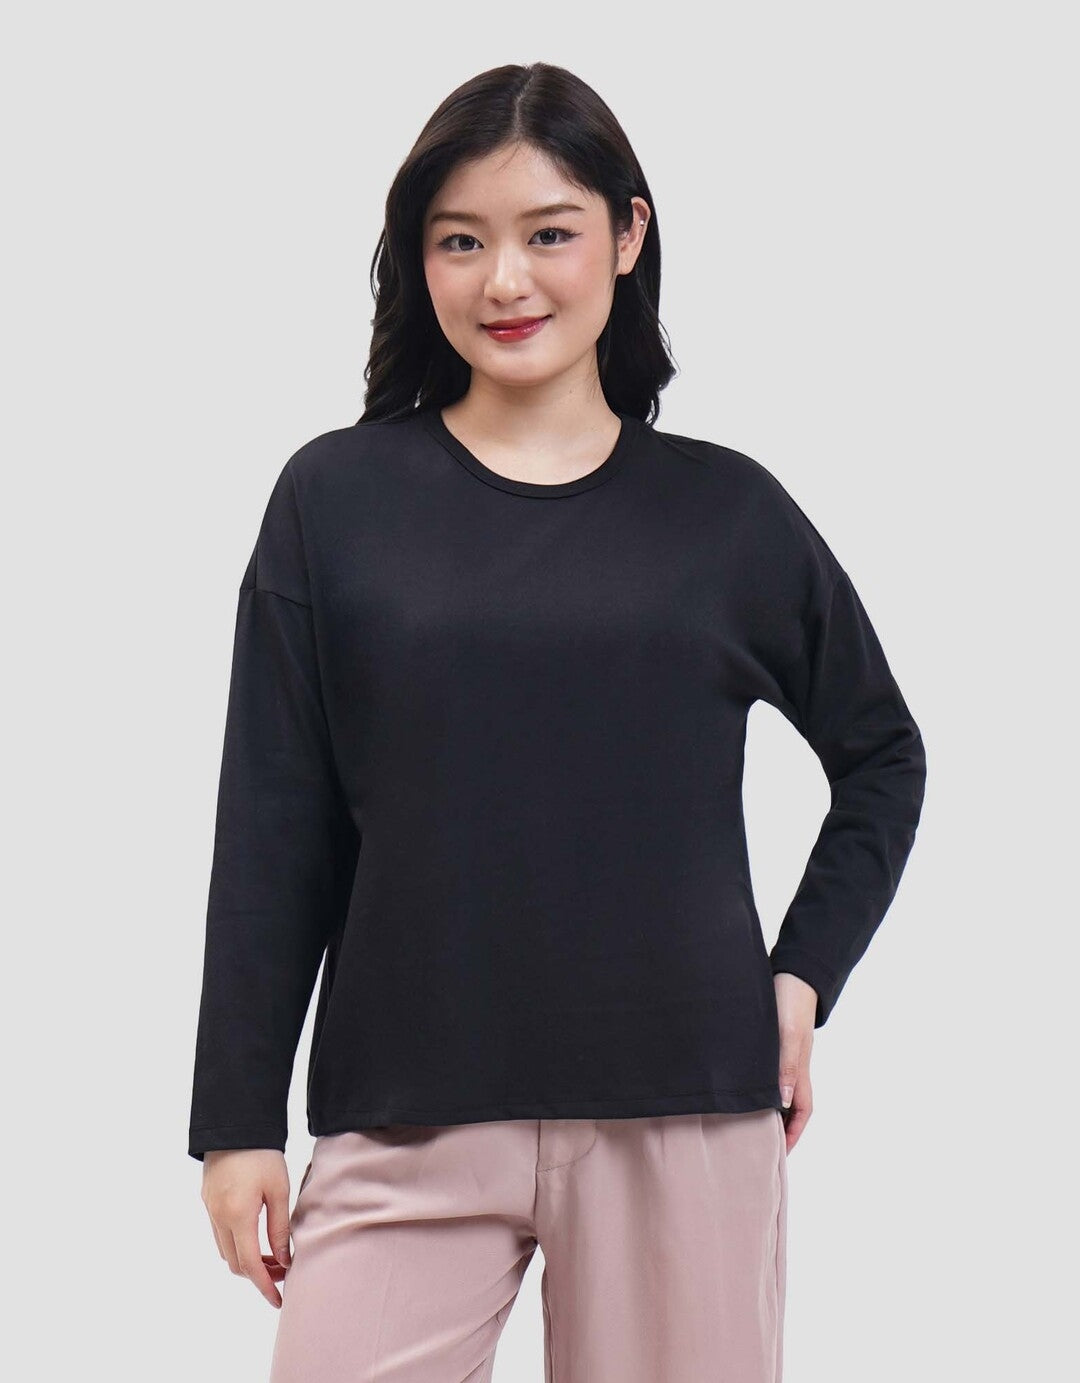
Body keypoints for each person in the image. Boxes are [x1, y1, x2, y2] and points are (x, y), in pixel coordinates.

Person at [188, 61, 927, 1383]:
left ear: (629, 235)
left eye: (548, 233)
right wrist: (235, 1119)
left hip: (683, 1108)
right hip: (405, 1113)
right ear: (416, 257)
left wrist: (803, 975)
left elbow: (882, 755)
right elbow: (274, 821)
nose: (505, 281)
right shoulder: (335, 501)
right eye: (459, 241)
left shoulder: (727, 515)